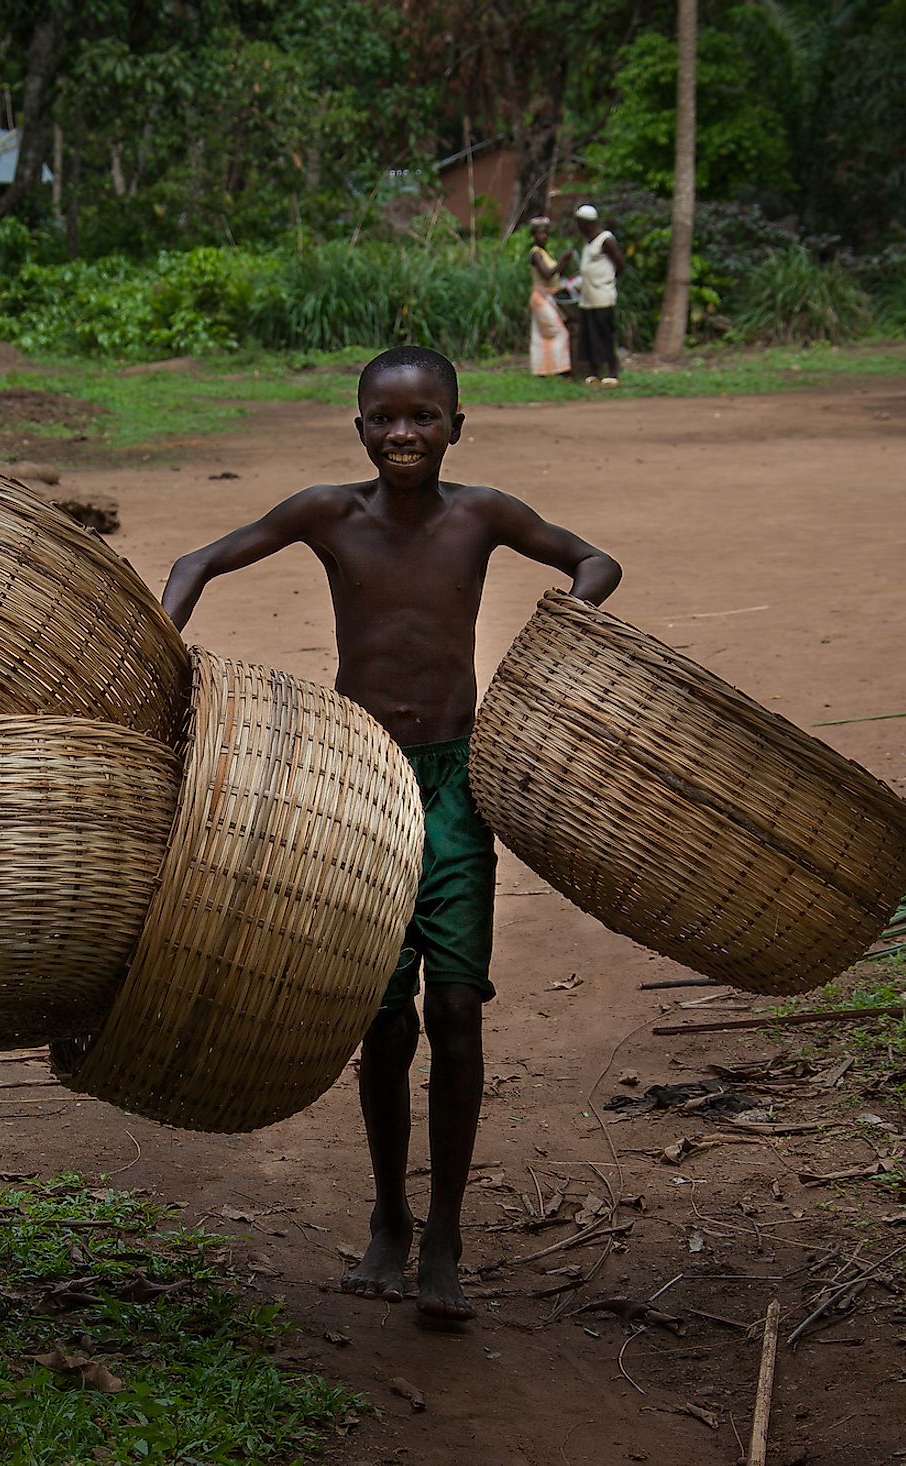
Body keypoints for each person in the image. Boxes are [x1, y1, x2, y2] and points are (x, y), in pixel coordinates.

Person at [161, 345, 621, 1324]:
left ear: (458, 423)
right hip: (357, 781)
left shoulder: (483, 514)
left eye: (423, 416)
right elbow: (199, 558)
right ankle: (387, 1215)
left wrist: (564, 623)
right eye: (383, 417)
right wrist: (162, 641)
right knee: (382, 1017)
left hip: (458, 784)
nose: (402, 434)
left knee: (456, 1008)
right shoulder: (328, 513)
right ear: (358, 425)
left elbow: (595, 560)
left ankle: (445, 1231)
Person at [571, 203, 628, 388]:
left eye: (579, 223)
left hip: (602, 295)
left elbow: (620, 264)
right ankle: (594, 372)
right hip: (587, 298)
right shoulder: (588, 241)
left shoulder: (606, 240)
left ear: (586, 223)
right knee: (589, 335)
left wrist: (606, 280)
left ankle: (612, 371)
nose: (578, 227)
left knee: (605, 334)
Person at [526, 218, 571, 379]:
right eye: (540, 233)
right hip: (541, 297)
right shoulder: (536, 254)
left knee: (541, 334)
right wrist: (562, 261)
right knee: (559, 331)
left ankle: (542, 370)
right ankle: (562, 369)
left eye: (545, 233)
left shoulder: (545, 253)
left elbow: (556, 274)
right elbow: (547, 274)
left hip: (548, 296)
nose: (543, 236)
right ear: (534, 235)